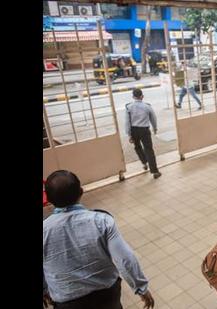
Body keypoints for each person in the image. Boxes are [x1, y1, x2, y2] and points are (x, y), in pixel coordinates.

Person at [43, 170, 155, 309]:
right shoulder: (102, 221)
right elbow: (125, 259)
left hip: (67, 302)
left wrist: (44, 290)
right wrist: (140, 288)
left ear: (47, 199)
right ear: (81, 192)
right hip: (107, 297)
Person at [125, 89, 161, 179]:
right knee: (149, 149)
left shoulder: (128, 107)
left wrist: (129, 134)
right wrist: (155, 128)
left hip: (134, 130)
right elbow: (153, 118)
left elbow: (127, 122)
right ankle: (155, 172)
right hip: (144, 130)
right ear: (142, 96)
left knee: (137, 147)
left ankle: (144, 163)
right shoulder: (147, 106)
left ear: (133, 97)